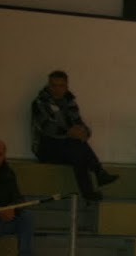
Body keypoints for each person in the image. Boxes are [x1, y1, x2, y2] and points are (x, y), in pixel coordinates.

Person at [29, 70, 116, 201]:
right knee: (77, 147)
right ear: (48, 86)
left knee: (78, 152)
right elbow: (47, 128)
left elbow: (78, 122)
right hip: (45, 147)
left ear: (66, 86)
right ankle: (98, 172)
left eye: (61, 86)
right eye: (54, 85)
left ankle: (89, 193)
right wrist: (69, 132)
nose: (57, 89)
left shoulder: (69, 102)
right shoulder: (39, 103)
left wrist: (84, 132)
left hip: (66, 147)